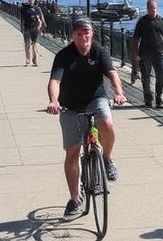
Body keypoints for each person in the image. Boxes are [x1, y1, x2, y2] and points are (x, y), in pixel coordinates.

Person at [46, 17, 127, 216]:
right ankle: (75, 198)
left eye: (87, 33)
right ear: (72, 35)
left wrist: (118, 92)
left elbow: (112, 73)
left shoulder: (99, 51)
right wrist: (53, 101)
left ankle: (107, 158)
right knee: (73, 152)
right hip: (71, 106)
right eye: (79, 34)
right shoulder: (64, 55)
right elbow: (55, 80)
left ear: (92, 33)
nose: (83, 37)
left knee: (106, 122)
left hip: (95, 99)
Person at [130, 0, 163, 108]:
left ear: (156, 8)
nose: (152, 10)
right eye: (150, 8)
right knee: (146, 77)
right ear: (147, 8)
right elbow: (135, 38)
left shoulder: (162, 21)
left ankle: (159, 98)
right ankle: (148, 99)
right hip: (145, 53)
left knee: (161, 76)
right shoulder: (142, 21)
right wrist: (135, 53)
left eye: (154, 8)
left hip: (159, 53)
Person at [20, 0, 45, 67]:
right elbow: (22, 19)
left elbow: (40, 18)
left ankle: (34, 60)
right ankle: (28, 60)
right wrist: (22, 28)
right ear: (28, 0)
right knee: (27, 44)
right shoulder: (24, 8)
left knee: (34, 44)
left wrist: (41, 26)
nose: (31, 0)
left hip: (35, 28)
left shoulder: (37, 8)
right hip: (27, 27)